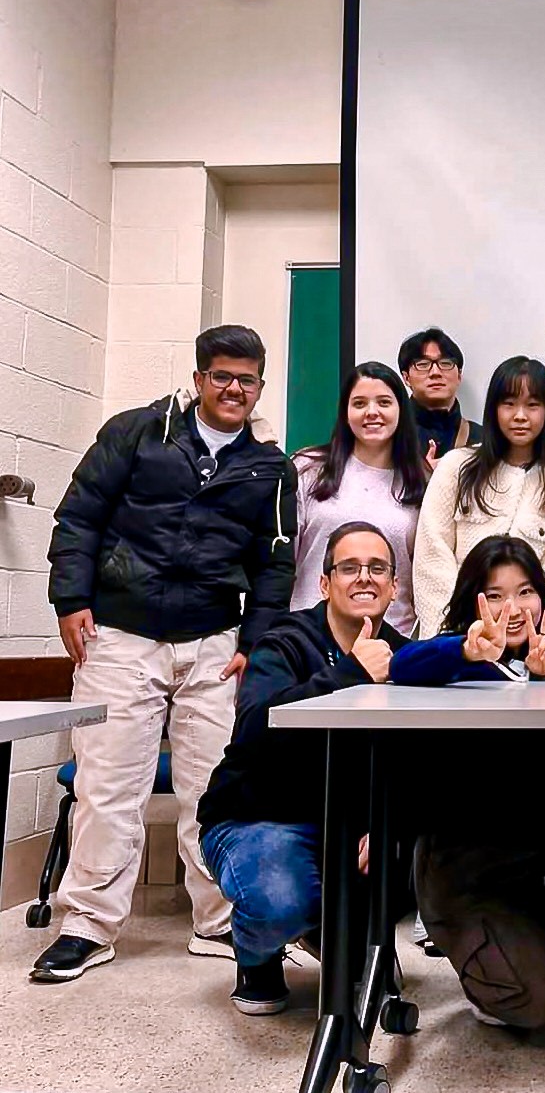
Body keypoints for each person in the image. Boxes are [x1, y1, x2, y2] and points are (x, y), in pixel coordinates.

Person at [36, 324, 297, 983]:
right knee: (107, 786)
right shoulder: (137, 432)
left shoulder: (270, 467)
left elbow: (274, 565)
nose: (235, 388)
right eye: (223, 376)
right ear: (200, 378)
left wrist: (258, 641)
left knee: (216, 785)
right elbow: (79, 517)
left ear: (260, 386)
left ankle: (218, 922)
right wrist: (71, 599)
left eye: (248, 379)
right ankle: (87, 927)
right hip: (120, 635)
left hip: (213, 641)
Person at [392, 536, 545, 1028]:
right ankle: (502, 975)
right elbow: (403, 666)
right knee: (536, 1001)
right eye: (496, 594)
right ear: (473, 600)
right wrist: (464, 649)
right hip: (469, 874)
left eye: (525, 592)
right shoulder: (454, 664)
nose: (512, 608)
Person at [198, 522, 409, 1015]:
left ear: (395, 586)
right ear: (325, 582)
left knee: (422, 859)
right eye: (349, 567)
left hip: (351, 826)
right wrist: (351, 674)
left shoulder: (403, 655)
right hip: (260, 819)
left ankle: (335, 931)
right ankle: (258, 950)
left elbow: (416, 755)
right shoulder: (284, 642)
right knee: (279, 903)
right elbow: (257, 727)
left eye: (378, 568)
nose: (365, 578)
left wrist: (390, 823)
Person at [412, 356, 545, 636]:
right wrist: (451, 635)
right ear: (493, 409)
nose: (520, 416)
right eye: (509, 403)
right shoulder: (457, 466)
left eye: (533, 405)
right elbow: (432, 553)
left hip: (525, 642)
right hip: (454, 635)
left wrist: (532, 636)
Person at [291, 361, 428, 635]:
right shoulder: (308, 467)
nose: (372, 412)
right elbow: (282, 562)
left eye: (384, 402)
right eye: (360, 403)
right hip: (309, 633)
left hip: (390, 636)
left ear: (401, 409)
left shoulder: (422, 481)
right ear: (345, 412)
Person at [398, 327, 484, 471]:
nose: (435, 373)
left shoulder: (483, 439)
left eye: (445, 363)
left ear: (459, 375)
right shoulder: (390, 435)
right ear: (406, 378)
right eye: (423, 364)